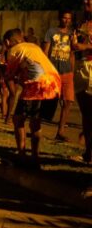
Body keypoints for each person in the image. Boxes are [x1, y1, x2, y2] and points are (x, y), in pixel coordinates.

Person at [2, 28, 61, 168]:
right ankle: (35, 157)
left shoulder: (14, 50)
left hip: (38, 85)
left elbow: (9, 75)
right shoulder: (33, 47)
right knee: (35, 122)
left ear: (7, 42)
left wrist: (1, 69)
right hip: (54, 84)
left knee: (17, 118)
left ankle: (21, 155)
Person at [43, 10, 75, 141]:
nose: (66, 20)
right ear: (60, 18)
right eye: (64, 18)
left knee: (68, 101)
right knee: (48, 100)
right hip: (53, 71)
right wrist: (44, 68)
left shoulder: (72, 34)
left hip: (67, 72)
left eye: (69, 18)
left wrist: (72, 71)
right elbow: (45, 51)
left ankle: (60, 131)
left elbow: (72, 53)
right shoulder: (51, 32)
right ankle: (37, 127)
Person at [71, 0, 92, 164]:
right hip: (81, 67)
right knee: (85, 113)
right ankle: (88, 154)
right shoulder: (82, 22)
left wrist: (84, 45)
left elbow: (84, 45)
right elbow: (76, 45)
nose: (86, 1)